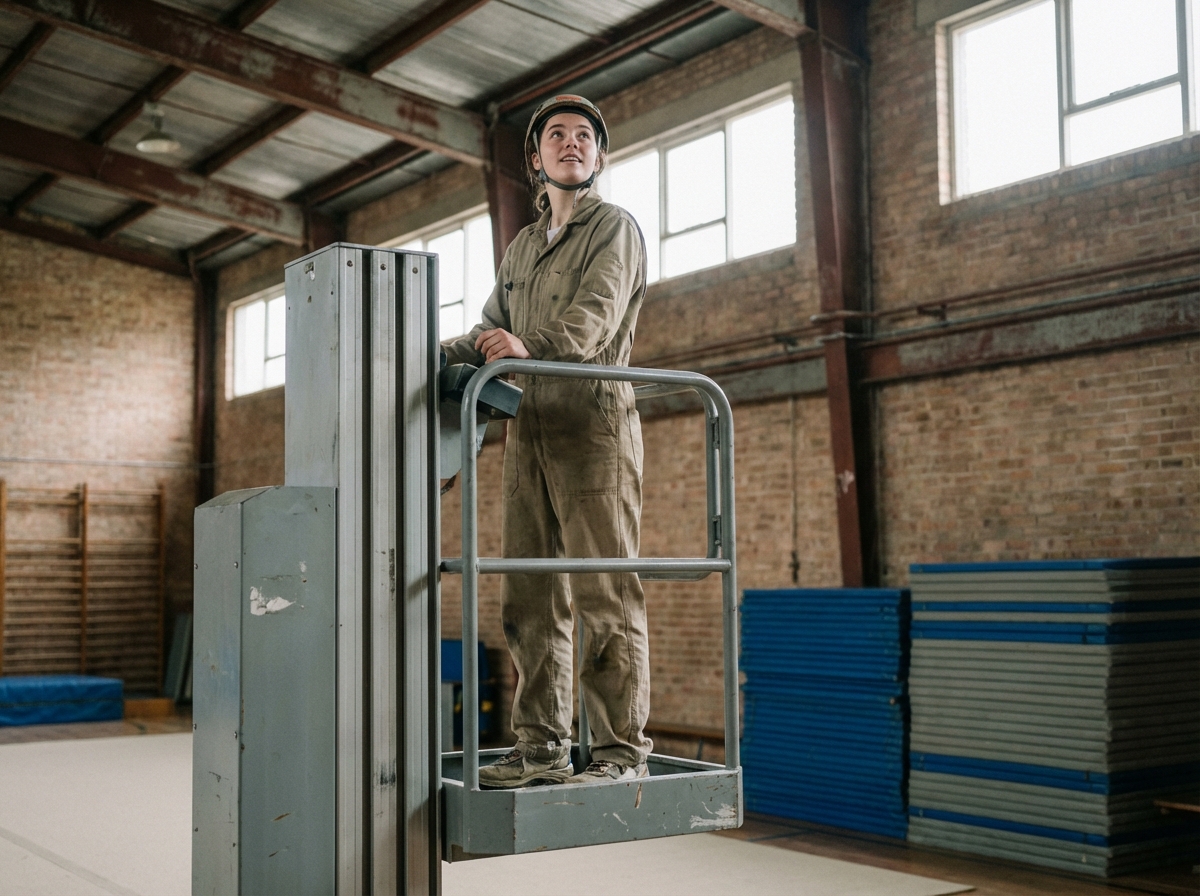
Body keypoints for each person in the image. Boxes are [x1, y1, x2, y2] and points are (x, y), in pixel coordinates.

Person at [441, 95, 651, 787]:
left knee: (603, 594)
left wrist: (526, 345)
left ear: (599, 155)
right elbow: (488, 330)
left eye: (584, 135)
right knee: (528, 598)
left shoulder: (614, 228)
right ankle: (540, 748)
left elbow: (594, 320)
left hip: (593, 430)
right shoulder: (523, 248)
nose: (571, 143)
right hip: (528, 432)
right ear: (535, 157)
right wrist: (423, 352)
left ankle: (620, 753)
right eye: (556, 134)